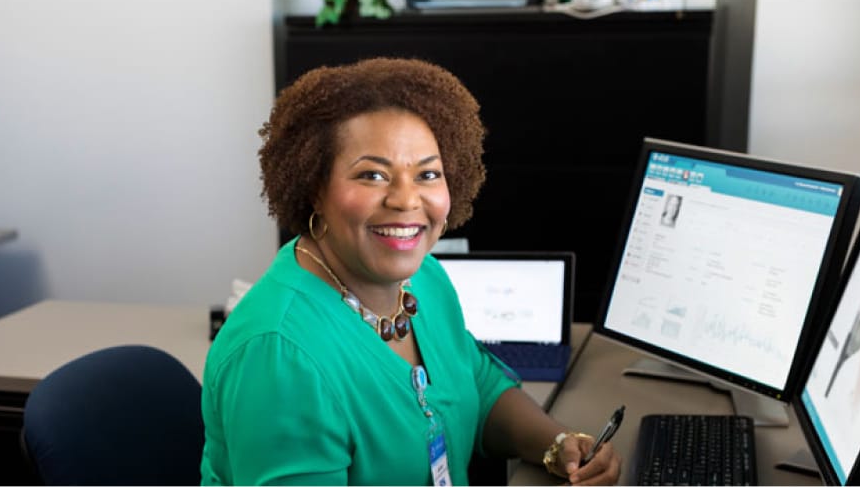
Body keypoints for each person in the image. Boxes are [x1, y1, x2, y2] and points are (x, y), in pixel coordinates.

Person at [200, 57, 621, 486]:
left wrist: (558, 445)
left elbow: (475, 381)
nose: (406, 200)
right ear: (315, 187)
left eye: (427, 174)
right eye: (373, 174)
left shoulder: (424, 278)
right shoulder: (280, 356)